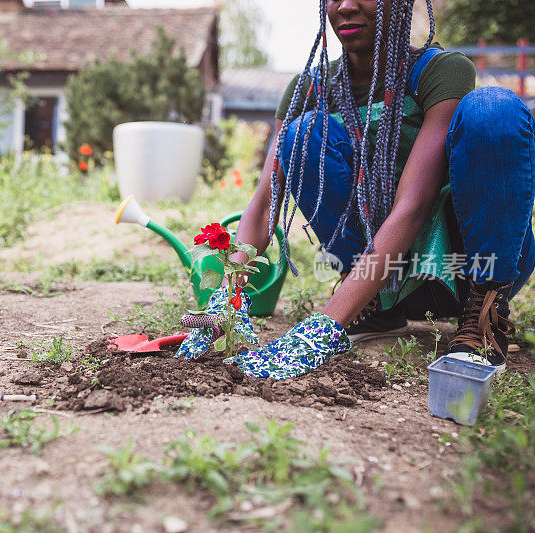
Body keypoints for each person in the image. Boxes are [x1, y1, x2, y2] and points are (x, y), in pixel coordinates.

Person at [176, 0, 535, 380]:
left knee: (493, 109)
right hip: (382, 281)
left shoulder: (441, 71)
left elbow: (414, 206)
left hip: (468, 265)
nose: (345, 6)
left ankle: (484, 311)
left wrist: (322, 328)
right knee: (301, 133)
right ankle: (377, 307)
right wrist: (227, 299)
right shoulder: (309, 87)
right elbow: (266, 203)